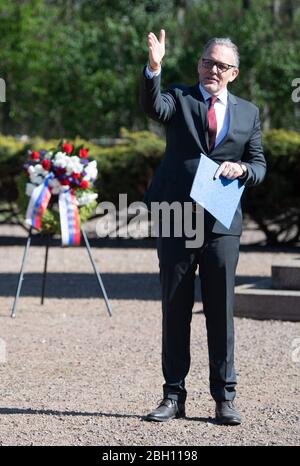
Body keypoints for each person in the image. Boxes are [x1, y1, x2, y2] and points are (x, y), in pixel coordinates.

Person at [140, 30, 266, 425]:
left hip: (222, 223)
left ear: (235, 73)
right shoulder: (179, 97)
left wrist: (243, 169)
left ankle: (224, 398)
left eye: (222, 65)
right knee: (175, 310)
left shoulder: (248, 112)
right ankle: (173, 396)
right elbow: (152, 106)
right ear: (199, 64)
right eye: (207, 62)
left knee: (220, 311)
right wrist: (154, 67)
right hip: (178, 218)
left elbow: (259, 164)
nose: (213, 69)